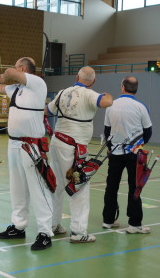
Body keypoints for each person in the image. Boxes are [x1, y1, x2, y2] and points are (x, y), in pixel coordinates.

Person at [0, 57, 54, 251]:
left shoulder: (37, 83)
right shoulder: (16, 89)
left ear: (23, 68)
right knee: (17, 187)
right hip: (14, 144)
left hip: (32, 145)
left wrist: (7, 74)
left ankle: (45, 232)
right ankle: (19, 225)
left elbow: (10, 73)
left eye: (17, 66)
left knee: (38, 188)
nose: (14, 70)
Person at [45, 66, 113, 243]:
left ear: (76, 77)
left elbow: (47, 111)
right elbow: (106, 103)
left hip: (56, 142)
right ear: (94, 81)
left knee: (56, 184)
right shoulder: (89, 94)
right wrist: (109, 96)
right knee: (79, 187)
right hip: (73, 147)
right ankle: (78, 232)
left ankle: (53, 224)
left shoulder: (62, 92)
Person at [102, 76, 152, 234]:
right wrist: (138, 146)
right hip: (134, 154)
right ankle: (135, 223)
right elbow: (148, 132)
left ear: (122, 87)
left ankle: (108, 220)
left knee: (111, 186)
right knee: (135, 186)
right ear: (135, 89)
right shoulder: (140, 107)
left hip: (115, 153)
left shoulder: (111, 105)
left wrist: (110, 147)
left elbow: (107, 131)